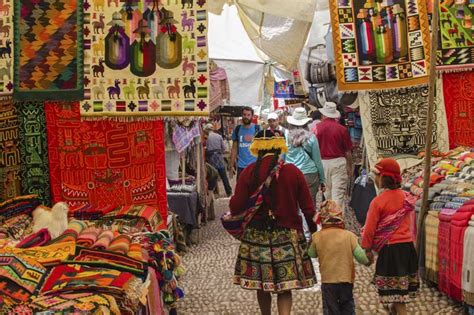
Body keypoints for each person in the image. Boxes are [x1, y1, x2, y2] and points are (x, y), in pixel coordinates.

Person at [230, 130, 317, 315]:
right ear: (279, 148)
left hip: (256, 237)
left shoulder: (248, 173)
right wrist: (313, 231)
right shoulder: (292, 171)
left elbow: (236, 206)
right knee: (284, 287)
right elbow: (308, 208)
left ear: (257, 149)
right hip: (287, 235)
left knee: (263, 285)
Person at [361, 158, 419, 315]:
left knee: (398, 297)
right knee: (399, 293)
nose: (376, 179)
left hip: (390, 251)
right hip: (407, 249)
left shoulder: (378, 202)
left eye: (377, 175)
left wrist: (366, 249)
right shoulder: (406, 197)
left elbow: (369, 229)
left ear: (384, 178)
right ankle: (394, 309)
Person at [309, 200, 370, 315]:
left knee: (331, 308)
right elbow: (361, 257)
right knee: (347, 305)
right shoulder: (349, 236)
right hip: (346, 280)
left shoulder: (317, 237)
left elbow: (312, 254)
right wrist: (368, 259)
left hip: (328, 281)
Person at [316, 102, 353, 211]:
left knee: (327, 195)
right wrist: (350, 167)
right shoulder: (342, 129)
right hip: (339, 163)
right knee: (338, 196)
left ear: (323, 114)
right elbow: (348, 151)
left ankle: (329, 222)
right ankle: (338, 222)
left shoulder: (317, 128)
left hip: (323, 163)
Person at [286, 107, 325, 205]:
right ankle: (307, 220)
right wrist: (322, 179)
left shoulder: (286, 136)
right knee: (309, 205)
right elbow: (317, 160)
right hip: (310, 175)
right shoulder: (311, 137)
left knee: (293, 205)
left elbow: (282, 157)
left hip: (291, 174)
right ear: (306, 123)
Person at [230, 106, 261, 178]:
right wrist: (231, 166)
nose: (246, 117)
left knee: (253, 188)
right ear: (242, 115)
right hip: (241, 166)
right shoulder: (237, 129)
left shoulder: (258, 129)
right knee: (241, 188)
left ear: (252, 116)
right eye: (244, 114)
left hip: (254, 165)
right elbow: (234, 149)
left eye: (248, 115)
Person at [203, 123, 232, 197]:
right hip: (219, 159)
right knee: (224, 176)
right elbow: (224, 148)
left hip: (211, 159)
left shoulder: (205, 137)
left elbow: (204, 148)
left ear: (206, 129)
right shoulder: (219, 136)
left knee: (213, 176)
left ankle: (214, 192)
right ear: (212, 129)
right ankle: (229, 192)